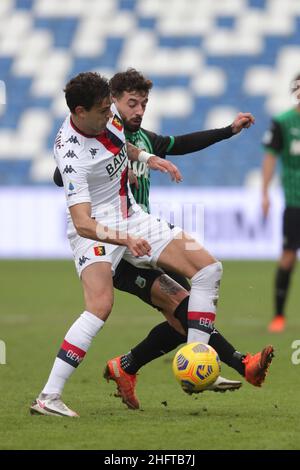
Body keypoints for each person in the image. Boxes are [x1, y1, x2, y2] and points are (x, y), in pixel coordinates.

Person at [53, 70, 274, 410]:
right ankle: (235, 363)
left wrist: (228, 131)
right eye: (132, 103)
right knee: (183, 309)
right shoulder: (87, 137)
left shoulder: (137, 137)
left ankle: (126, 366)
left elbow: (183, 144)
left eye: (144, 103)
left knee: (186, 309)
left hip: (139, 230)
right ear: (109, 102)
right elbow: (65, 173)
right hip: (118, 246)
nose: (138, 110)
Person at [262, 73, 300, 333]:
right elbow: (270, 157)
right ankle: (278, 316)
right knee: (288, 257)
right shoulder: (283, 122)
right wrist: (264, 192)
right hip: (295, 201)